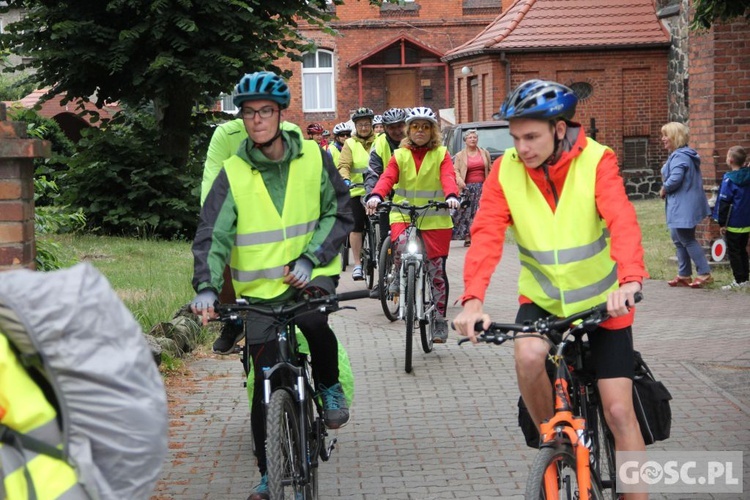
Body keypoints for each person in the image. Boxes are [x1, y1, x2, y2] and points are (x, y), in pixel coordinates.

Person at [452, 80, 648, 500]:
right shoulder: (505, 170)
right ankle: (554, 444)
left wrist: (630, 279)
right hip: (542, 301)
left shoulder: (597, 160)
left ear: (559, 129)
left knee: (617, 410)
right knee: (526, 354)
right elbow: (486, 233)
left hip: (604, 305)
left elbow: (622, 220)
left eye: (532, 137)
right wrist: (473, 301)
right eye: (515, 137)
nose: (522, 148)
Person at [190, 71, 353, 500]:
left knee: (315, 323)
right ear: (240, 119)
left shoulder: (314, 160)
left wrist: (311, 257)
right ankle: (268, 470)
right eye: (248, 112)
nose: (257, 119)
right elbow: (212, 234)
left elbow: (339, 212)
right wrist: (207, 287)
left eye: (265, 111)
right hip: (260, 290)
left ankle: (329, 385)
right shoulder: (232, 172)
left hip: (311, 272)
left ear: (282, 115)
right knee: (264, 384)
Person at [201, 102, 306, 355]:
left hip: (282, 215)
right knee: (222, 248)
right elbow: (212, 181)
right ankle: (233, 318)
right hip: (243, 215)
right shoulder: (226, 135)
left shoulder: (291, 133)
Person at [366, 106, 460, 343]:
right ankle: (398, 273)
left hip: (435, 217)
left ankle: (439, 320)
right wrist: (376, 195)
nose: (420, 131)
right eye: (416, 127)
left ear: (432, 131)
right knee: (400, 245)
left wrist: (451, 196)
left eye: (425, 127)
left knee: (436, 271)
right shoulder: (400, 154)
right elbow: (387, 177)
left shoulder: (442, 153)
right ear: (409, 130)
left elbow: (448, 176)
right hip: (404, 212)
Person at [659, 122, 713, 288]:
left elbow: (676, 178)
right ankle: (684, 274)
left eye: (666, 135)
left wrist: (664, 188)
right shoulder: (679, 154)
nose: (663, 139)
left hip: (684, 205)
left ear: (675, 137)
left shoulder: (680, 156)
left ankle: (704, 274)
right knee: (677, 238)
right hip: (680, 204)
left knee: (686, 238)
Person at [364, 107, 407, 298]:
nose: (397, 131)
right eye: (392, 127)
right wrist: (372, 197)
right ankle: (384, 280)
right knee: (385, 241)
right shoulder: (379, 144)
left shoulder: (414, 141)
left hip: (412, 199)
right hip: (388, 199)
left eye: (400, 126)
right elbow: (372, 173)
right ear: (385, 128)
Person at [338, 107, 378, 281]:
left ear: (371, 125)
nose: (364, 127)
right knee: (356, 227)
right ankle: (357, 264)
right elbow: (344, 164)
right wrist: (345, 179)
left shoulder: (380, 140)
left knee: (383, 224)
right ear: (355, 126)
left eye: (367, 124)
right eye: (360, 124)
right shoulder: (350, 144)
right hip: (357, 191)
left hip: (377, 191)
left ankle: (385, 255)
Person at [713, 145, 750, 289]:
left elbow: (724, 202)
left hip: (733, 223)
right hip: (746, 222)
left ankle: (739, 280)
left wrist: (722, 223)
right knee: (742, 250)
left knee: (734, 252)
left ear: (731, 160)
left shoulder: (729, 180)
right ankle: (745, 279)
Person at [451, 128, 491, 247]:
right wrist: (460, 181)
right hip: (467, 188)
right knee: (467, 213)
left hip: (482, 187)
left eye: (475, 137)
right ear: (465, 141)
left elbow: (489, 168)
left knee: (480, 212)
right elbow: (455, 170)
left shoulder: (484, 153)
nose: (473, 139)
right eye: (470, 138)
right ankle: (468, 236)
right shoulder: (460, 155)